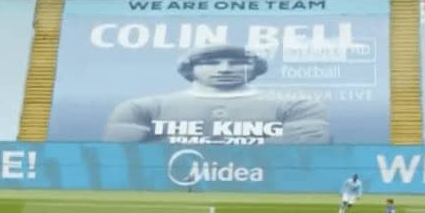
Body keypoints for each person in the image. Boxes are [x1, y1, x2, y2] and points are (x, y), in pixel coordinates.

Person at [102, 44, 329, 144]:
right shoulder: (141, 107)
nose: (225, 69)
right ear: (190, 68)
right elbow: (119, 152)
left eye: (237, 62)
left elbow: (308, 148)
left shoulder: (298, 105)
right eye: (210, 62)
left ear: (255, 68)